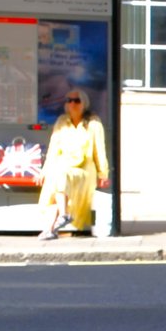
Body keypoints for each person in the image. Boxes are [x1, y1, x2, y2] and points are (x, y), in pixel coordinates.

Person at [38, 89, 109, 239]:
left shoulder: (94, 123)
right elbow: (53, 149)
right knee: (55, 185)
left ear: (84, 103)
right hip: (62, 168)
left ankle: (63, 216)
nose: (72, 104)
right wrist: (44, 171)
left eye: (76, 101)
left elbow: (99, 149)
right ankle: (51, 228)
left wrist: (103, 173)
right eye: (69, 100)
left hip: (83, 169)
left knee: (60, 179)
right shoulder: (61, 122)